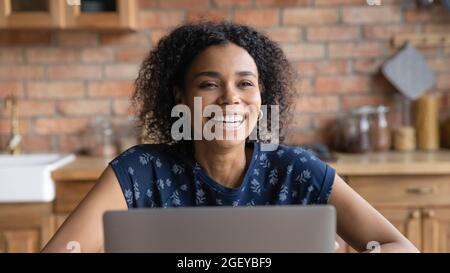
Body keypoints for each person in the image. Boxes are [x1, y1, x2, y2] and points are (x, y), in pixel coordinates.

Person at [42, 21, 418, 253]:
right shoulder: (140, 171)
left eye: (244, 84)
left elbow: (398, 245)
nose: (230, 98)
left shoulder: (296, 170)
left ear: (260, 95)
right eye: (209, 84)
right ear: (180, 96)